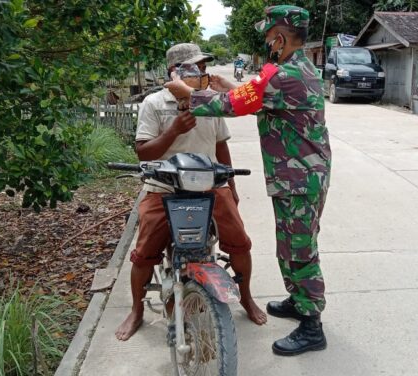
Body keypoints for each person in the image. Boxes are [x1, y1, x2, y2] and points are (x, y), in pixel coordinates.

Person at [165, 6, 332, 356]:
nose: (268, 43)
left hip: (298, 179)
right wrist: (233, 87)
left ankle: (312, 324)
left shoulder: (285, 75)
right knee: (291, 244)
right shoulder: (296, 69)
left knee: (300, 250)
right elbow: (256, 96)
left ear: (280, 38)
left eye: (270, 38)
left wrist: (187, 93)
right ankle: (298, 300)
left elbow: (230, 105)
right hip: (299, 175)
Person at [115, 43, 267, 342]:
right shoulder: (154, 103)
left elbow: (221, 145)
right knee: (144, 252)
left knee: (240, 242)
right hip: (163, 186)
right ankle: (137, 310)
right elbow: (143, 153)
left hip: (209, 185)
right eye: (193, 69)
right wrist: (174, 131)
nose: (201, 73)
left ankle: (246, 297)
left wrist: (231, 186)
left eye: (202, 68)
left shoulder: (210, 103)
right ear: (174, 73)